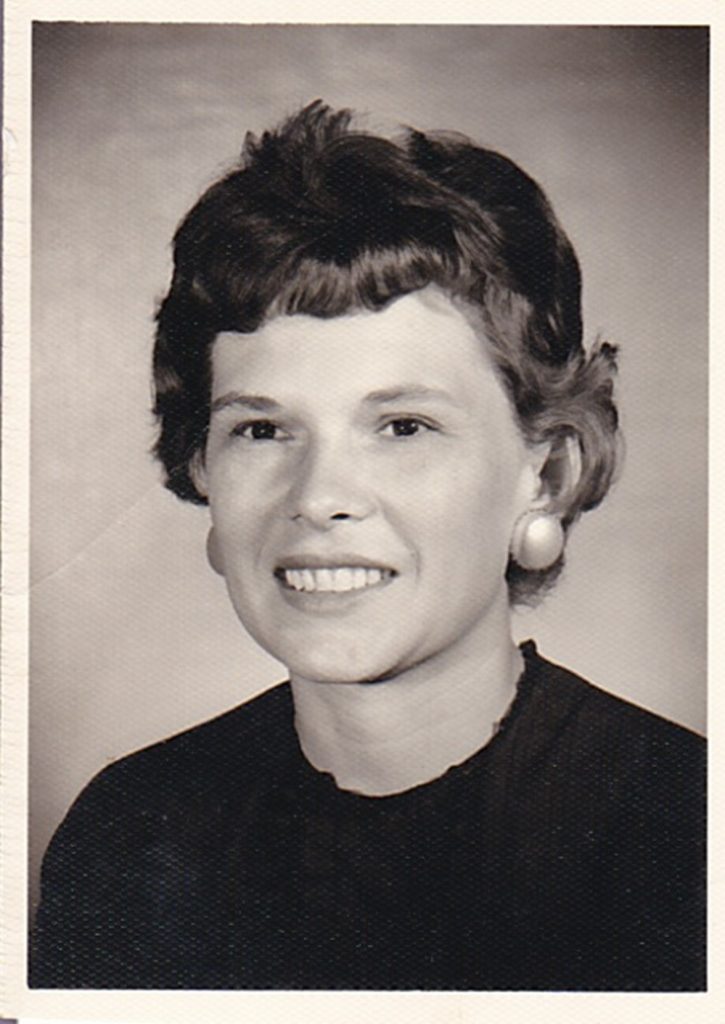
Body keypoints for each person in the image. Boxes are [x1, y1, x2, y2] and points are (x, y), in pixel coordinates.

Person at [30, 101, 705, 991]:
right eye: (262, 431)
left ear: (543, 475)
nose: (319, 499)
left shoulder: (686, 830)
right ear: (201, 466)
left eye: (403, 425)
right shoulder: (130, 830)